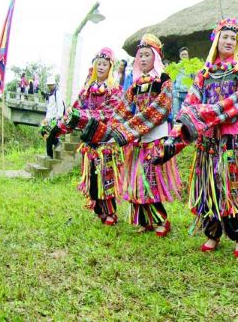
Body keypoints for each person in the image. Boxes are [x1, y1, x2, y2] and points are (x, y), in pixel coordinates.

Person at [156, 18, 238, 259]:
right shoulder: (204, 74)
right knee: (207, 186)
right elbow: (189, 103)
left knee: (226, 187)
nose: (229, 41)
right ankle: (212, 233)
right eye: (225, 37)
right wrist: (178, 130)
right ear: (216, 41)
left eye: (233, 39)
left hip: (230, 139)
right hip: (206, 139)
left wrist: (203, 114)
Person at [86, 34, 181, 236]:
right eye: (140, 56)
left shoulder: (163, 81)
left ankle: (162, 220)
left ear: (155, 57)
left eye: (147, 55)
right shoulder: (135, 85)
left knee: (150, 180)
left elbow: (160, 109)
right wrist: (110, 130)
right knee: (137, 180)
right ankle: (146, 221)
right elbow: (122, 110)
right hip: (137, 140)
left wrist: (129, 130)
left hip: (155, 138)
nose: (143, 59)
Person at [57, 48, 125, 225]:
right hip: (89, 140)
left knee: (106, 177)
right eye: (98, 64)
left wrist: (86, 115)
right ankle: (99, 210)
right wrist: (59, 127)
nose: (101, 67)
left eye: (104, 64)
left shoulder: (114, 90)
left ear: (110, 67)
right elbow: (76, 109)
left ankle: (111, 213)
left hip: (105, 140)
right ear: (94, 67)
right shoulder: (87, 89)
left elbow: (110, 112)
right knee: (94, 178)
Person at [40, 76, 66, 158]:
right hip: (49, 119)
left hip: (55, 119)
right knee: (42, 131)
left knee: (49, 136)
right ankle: (57, 142)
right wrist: (46, 119)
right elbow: (49, 108)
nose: (49, 86)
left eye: (50, 85)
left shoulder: (57, 93)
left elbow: (60, 105)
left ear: (53, 84)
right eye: (48, 85)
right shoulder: (50, 94)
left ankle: (49, 155)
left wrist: (59, 117)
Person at [171, 47, 192, 119]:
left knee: (188, 115)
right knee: (176, 115)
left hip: (188, 93)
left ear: (188, 56)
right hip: (177, 93)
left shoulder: (192, 67)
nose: (184, 56)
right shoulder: (176, 67)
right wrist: (173, 92)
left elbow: (195, 80)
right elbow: (172, 81)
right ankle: (176, 130)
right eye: (182, 54)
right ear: (180, 56)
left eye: (185, 54)